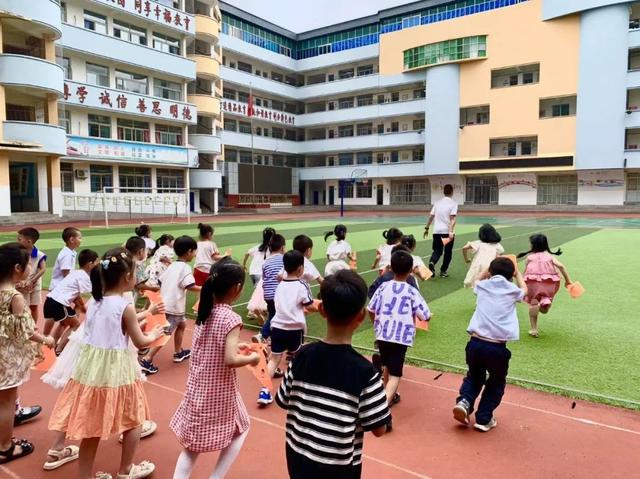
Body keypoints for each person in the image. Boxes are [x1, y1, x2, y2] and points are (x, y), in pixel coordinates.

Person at [48, 247, 165, 478]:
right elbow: (141, 342)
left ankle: (84, 475)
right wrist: (155, 334)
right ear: (127, 277)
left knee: (90, 428)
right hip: (118, 371)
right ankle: (126, 469)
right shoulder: (125, 306)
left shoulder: (95, 302)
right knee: (134, 418)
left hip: (90, 372)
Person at [276, 270, 390, 479]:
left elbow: (283, 400)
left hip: (297, 458)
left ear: (321, 310)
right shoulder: (366, 373)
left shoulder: (301, 356)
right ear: (362, 315)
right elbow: (379, 428)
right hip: (338, 468)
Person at [171, 258, 260, 479]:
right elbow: (230, 359)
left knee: (192, 448)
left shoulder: (205, 309)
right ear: (237, 289)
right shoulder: (230, 317)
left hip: (199, 387)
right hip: (219, 391)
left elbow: (210, 343)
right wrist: (253, 359)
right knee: (241, 429)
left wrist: (237, 345)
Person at [453, 257, 527, 432]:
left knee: (474, 376)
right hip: (497, 348)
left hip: (475, 343)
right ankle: (484, 418)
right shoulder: (512, 290)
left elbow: (477, 279)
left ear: (490, 272)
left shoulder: (482, 286)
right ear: (511, 275)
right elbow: (524, 289)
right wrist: (518, 274)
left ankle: (465, 401)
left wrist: (487, 269)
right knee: (496, 382)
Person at [0, 243, 55, 465]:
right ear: (16, 268)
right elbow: (25, 331)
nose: (30, 268)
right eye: (27, 265)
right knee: (6, 402)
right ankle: (5, 447)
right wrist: (47, 339)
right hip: (7, 357)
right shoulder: (15, 297)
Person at [368, 250, 430, 421]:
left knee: (387, 366)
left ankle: (387, 395)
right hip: (400, 337)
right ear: (411, 270)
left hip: (383, 333)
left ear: (390, 268)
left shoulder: (383, 287)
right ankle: (381, 409)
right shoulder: (411, 291)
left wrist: (376, 323)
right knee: (396, 374)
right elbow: (425, 315)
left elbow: (370, 309)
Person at [258, 250, 316, 406]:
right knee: (298, 358)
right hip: (294, 329)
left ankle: (264, 391)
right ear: (300, 269)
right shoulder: (302, 285)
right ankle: (297, 390)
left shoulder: (280, 285)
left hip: (277, 327)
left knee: (274, 359)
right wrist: (322, 307)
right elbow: (309, 306)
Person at [140, 236, 201, 374]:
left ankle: (178, 352)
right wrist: (205, 288)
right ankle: (147, 359)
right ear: (189, 251)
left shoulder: (172, 265)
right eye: (194, 251)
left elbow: (161, 281)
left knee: (182, 324)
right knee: (165, 333)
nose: (195, 254)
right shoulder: (185, 267)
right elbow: (189, 285)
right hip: (174, 306)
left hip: (166, 302)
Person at [43, 249, 99, 352]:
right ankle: (59, 348)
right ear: (90, 264)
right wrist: (83, 307)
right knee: (76, 325)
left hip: (51, 300)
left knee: (64, 323)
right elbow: (94, 293)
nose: (97, 264)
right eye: (96, 262)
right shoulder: (83, 276)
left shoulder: (75, 273)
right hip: (58, 303)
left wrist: (80, 306)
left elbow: (76, 296)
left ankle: (53, 344)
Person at [517, 234, 573, 338]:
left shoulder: (529, 257)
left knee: (533, 304)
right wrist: (568, 281)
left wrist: (521, 287)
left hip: (532, 285)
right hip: (548, 284)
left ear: (533, 245)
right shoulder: (550, 257)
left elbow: (525, 273)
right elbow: (561, 266)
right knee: (544, 309)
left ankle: (534, 329)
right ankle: (545, 302)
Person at [252, 234, 286, 344]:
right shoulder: (284, 260)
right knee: (280, 316)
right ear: (282, 248)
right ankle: (263, 335)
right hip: (279, 295)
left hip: (268, 295)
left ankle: (268, 335)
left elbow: (265, 279)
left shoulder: (266, 262)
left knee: (273, 314)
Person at [424, 184, 458, 278]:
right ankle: (443, 271)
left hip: (437, 231)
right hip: (447, 232)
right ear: (452, 192)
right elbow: (452, 219)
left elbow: (431, 216)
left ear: (444, 192)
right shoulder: (453, 204)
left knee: (437, 250)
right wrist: (450, 231)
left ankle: (432, 262)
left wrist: (427, 228)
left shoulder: (437, 203)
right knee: (448, 252)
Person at [16, 227, 47, 322]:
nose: (17, 241)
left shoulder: (39, 255)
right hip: (22, 284)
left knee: (34, 306)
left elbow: (43, 269)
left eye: (19, 239)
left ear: (29, 242)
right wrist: (21, 282)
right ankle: (24, 326)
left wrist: (32, 281)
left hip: (35, 284)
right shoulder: (17, 253)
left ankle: (34, 327)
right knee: (23, 306)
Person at [462, 224, 504, 288]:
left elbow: (464, 248)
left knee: (477, 284)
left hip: (478, 266)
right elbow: (498, 257)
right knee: (490, 286)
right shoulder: (497, 245)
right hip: (490, 267)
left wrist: (466, 259)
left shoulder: (478, 243)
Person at [49, 227, 83, 292]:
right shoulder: (67, 255)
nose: (81, 240)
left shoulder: (70, 252)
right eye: (79, 238)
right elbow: (66, 275)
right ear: (72, 240)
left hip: (61, 288)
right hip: (59, 289)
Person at [125, 236, 157, 303]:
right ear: (141, 251)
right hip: (128, 296)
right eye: (146, 250)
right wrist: (153, 288)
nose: (147, 252)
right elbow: (138, 284)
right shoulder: (136, 264)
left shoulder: (124, 261)